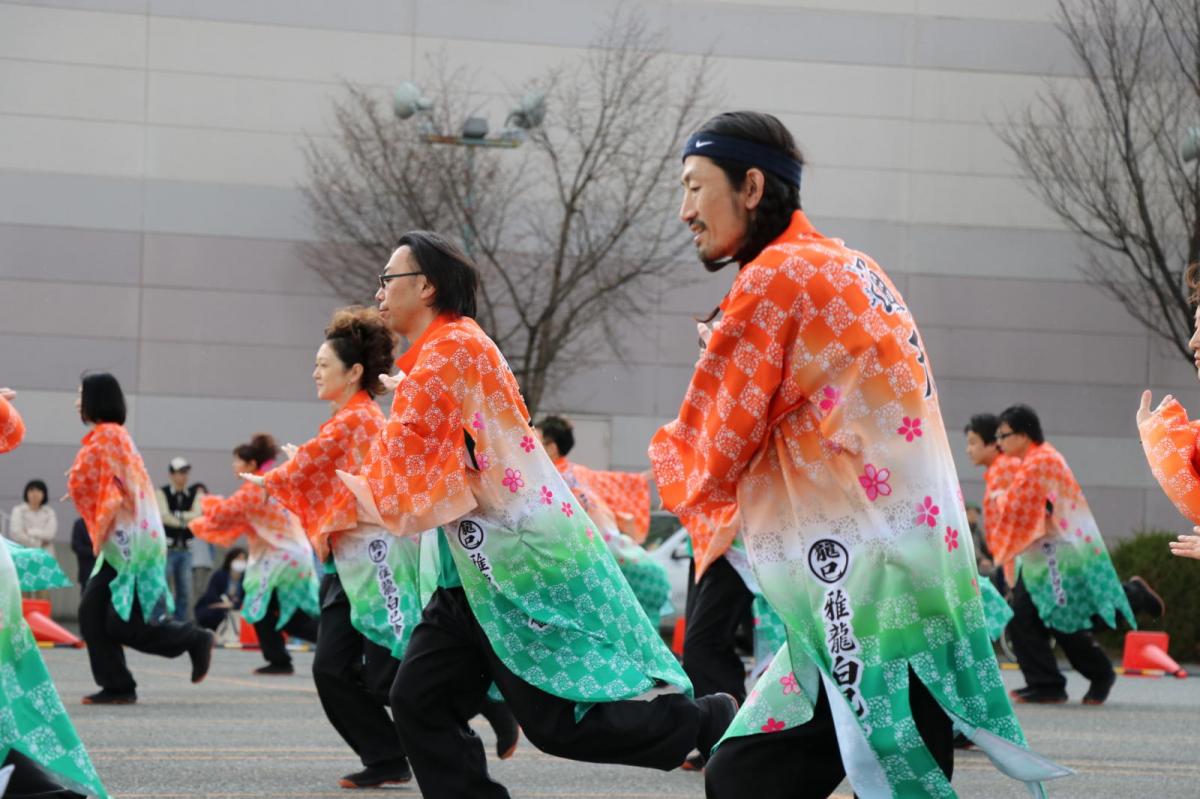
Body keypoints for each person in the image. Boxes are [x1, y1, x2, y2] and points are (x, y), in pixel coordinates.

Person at [650, 111, 1067, 797]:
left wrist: (685, 427)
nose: (684, 210)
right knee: (764, 774)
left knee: (755, 778)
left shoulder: (774, 280)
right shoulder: (854, 266)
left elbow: (709, 455)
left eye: (696, 187)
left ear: (751, 186)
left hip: (868, 592)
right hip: (912, 577)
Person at [332, 230, 734, 799]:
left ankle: (702, 721)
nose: (378, 291)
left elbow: (410, 467)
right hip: (467, 574)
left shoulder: (452, 350)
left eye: (387, 279)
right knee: (415, 699)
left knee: (559, 725)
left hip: (510, 571)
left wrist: (352, 489)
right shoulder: (447, 352)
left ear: (424, 286)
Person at [68, 373, 215, 705]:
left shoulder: (108, 435)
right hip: (124, 541)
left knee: (123, 624)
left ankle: (192, 639)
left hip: (130, 543)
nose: (76, 402)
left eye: (81, 395)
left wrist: (81, 488)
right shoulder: (110, 436)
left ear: (96, 399)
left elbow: (93, 482)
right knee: (94, 613)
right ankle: (118, 684)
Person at [990, 404, 1141, 707]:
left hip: (1056, 557)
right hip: (1040, 557)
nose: (999, 443)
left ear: (1022, 434)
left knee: (1063, 619)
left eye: (1003, 435)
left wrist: (998, 498)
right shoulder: (1035, 460)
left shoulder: (1041, 461)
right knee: (1027, 618)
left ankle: (1096, 673)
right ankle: (1047, 684)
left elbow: (1018, 506)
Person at [0, 386, 110, 799]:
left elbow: (9, 430)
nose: (76, 404)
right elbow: (11, 430)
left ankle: (16, 774)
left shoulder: (108, 439)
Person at [190, 433, 320, 675]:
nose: (234, 466)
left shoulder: (254, 488)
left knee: (282, 613)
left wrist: (203, 504)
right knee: (272, 609)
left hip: (281, 560)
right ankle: (280, 659)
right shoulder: (272, 481)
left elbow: (223, 514)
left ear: (251, 465)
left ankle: (336, 647)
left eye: (238, 461)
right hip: (292, 555)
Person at [534, 415, 671, 621]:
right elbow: (623, 482)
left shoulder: (549, 480)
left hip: (595, 564)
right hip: (621, 560)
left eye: (535, 440)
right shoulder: (576, 474)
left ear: (552, 447)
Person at [156, 457, 204, 621]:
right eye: (180, 472)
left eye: (186, 472)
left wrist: (176, 515)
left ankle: (180, 624)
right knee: (162, 588)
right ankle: (159, 622)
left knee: (184, 590)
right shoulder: (161, 493)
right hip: (166, 549)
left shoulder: (194, 494)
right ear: (171, 474)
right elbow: (163, 516)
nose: (184, 476)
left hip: (186, 550)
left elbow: (198, 515)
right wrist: (186, 519)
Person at [194, 547, 246, 632]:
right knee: (215, 613)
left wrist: (231, 605)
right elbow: (211, 596)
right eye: (238, 558)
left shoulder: (245, 579)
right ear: (231, 560)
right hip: (218, 610)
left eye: (243, 559)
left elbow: (246, 600)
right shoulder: (220, 575)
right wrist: (225, 603)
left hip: (235, 611)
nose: (241, 561)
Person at [10, 479, 57, 553]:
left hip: (45, 554)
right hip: (23, 553)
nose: (35, 494)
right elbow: (16, 534)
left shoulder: (49, 512)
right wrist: (39, 543)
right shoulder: (18, 510)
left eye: (39, 491)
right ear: (26, 493)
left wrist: (29, 531)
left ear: (44, 494)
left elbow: (50, 534)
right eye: (31, 491)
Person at [70, 517, 95, 588]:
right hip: (87, 568)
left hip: (106, 571)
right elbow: (76, 546)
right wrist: (94, 551)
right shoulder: (80, 524)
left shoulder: (105, 522)